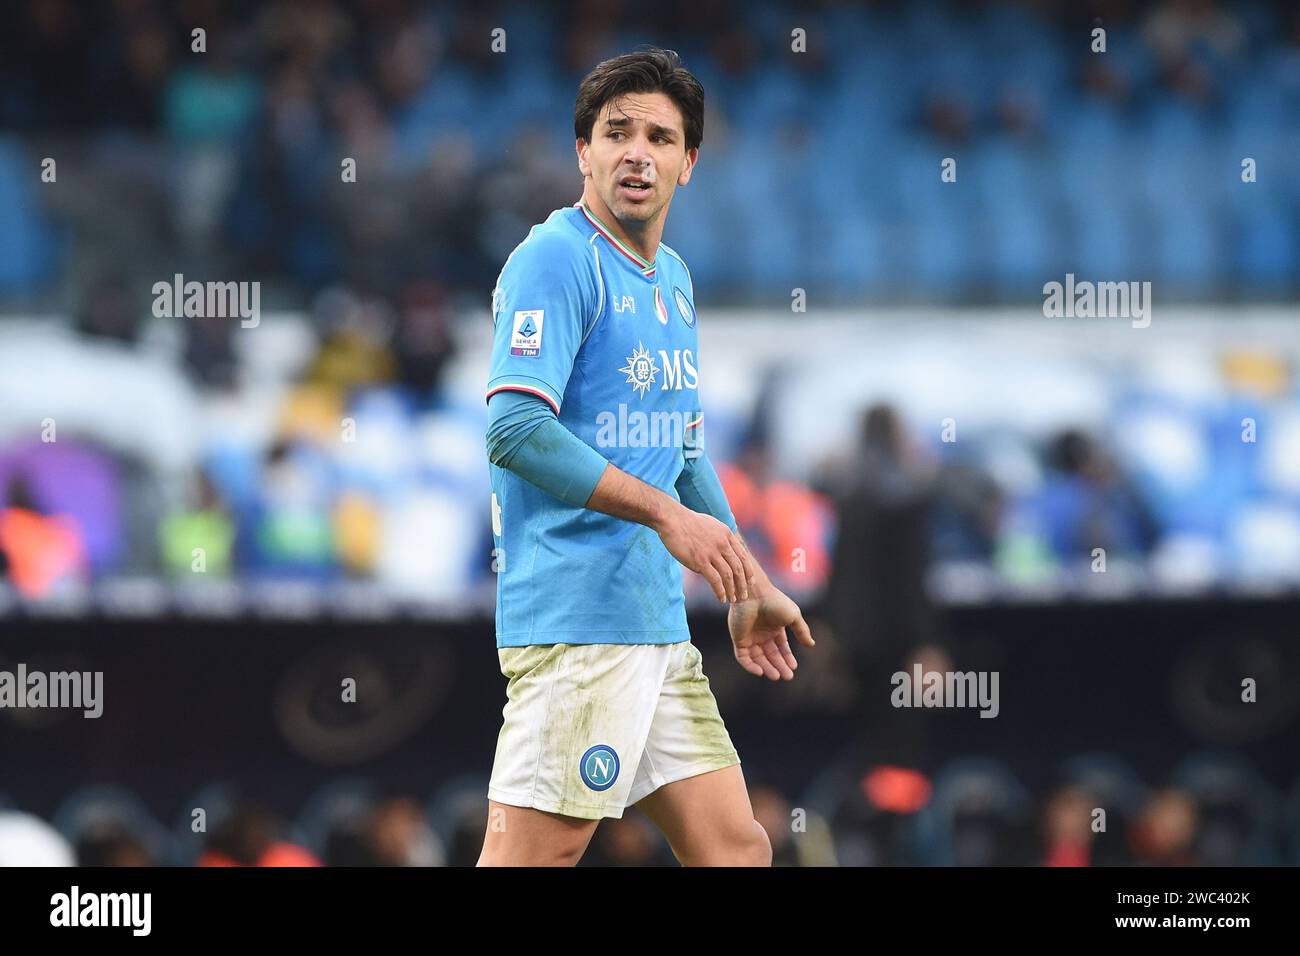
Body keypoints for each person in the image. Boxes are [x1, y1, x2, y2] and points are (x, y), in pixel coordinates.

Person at [477, 48, 813, 867]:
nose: (638, 152)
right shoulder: (555, 259)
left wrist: (745, 577)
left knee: (738, 851)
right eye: (615, 131)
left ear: (689, 163)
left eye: (660, 137)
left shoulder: (674, 279)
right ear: (582, 152)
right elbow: (514, 428)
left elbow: (683, 448)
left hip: (654, 627)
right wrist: (666, 515)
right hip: (579, 626)